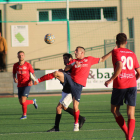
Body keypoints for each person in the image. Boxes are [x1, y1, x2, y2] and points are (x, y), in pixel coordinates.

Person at [31, 46, 114, 131]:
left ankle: (76, 124)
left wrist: (112, 51)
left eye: (76, 51)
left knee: (74, 107)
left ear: (82, 52)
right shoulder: (74, 61)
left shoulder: (89, 59)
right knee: (56, 73)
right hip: (70, 81)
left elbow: (102, 59)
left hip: (78, 85)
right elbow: (66, 69)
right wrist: (73, 64)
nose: (74, 52)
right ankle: (38, 80)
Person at [30, 53, 86, 132]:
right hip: (66, 90)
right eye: (63, 58)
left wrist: (63, 73)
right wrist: (63, 74)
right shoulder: (66, 68)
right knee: (62, 107)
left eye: (66, 58)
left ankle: (37, 81)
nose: (64, 60)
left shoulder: (74, 66)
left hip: (71, 91)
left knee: (59, 107)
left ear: (71, 59)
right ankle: (80, 118)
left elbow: (75, 77)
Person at [104, 33, 140, 140]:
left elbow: (119, 66)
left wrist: (110, 80)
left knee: (115, 110)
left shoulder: (116, 51)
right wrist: (134, 79)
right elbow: (139, 72)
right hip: (132, 85)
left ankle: (128, 135)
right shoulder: (132, 53)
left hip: (120, 85)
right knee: (131, 114)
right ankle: (129, 137)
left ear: (116, 42)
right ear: (126, 42)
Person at [13, 51, 38, 119]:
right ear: (17, 56)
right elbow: (14, 73)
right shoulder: (15, 65)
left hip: (27, 84)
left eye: (22, 55)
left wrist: (32, 80)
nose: (21, 56)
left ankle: (24, 115)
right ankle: (33, 101)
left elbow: (33, 73)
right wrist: (14, 78)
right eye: (19, 55)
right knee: (21, 102)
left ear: (24, 56)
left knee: (23, 100)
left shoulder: (28, 65)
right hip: (20, 85)